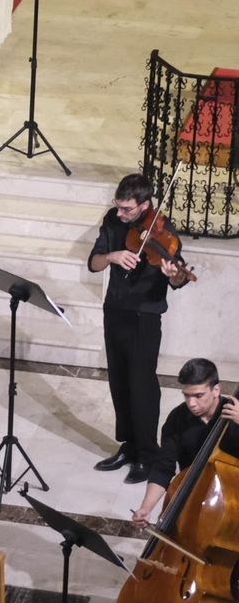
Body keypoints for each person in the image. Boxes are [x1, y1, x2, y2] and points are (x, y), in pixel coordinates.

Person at [88, 173, 192, 484]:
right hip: (114, 311)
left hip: (144, 318)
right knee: (119, 383)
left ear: (145, 205)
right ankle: (129, 446)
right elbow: (93, 262)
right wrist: (112, 256)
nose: (120, 213)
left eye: (127, 209)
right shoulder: (112, 221)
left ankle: (148, 454)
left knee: (142, 386)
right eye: (118, 207)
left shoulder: (165, 233)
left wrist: (174, 274)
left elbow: (178, 280)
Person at [131, 358, 239, 527]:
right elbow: (163, 467)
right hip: (193, 495)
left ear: (216, 389)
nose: (191, 404)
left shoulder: (236, 414)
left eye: (198, 395)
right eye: (187, 396)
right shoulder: (177, 418)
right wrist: (146, 507)